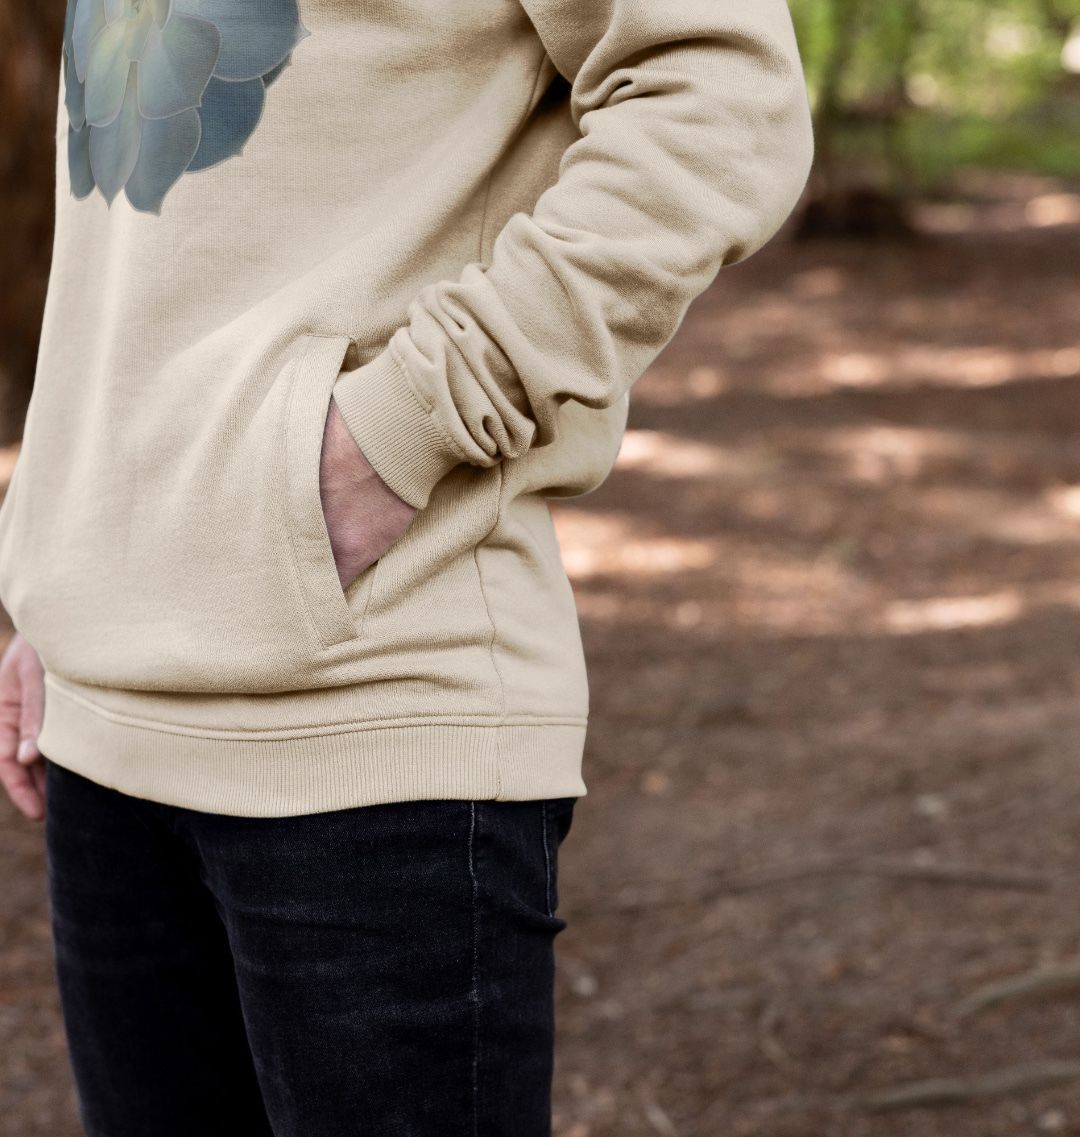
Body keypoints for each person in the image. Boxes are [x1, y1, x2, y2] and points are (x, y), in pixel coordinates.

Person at [0, 0, 814, 1133]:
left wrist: (402, 429)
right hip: (101, 712)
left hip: (374, 714)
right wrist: (62, 568)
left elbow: (724, 101)